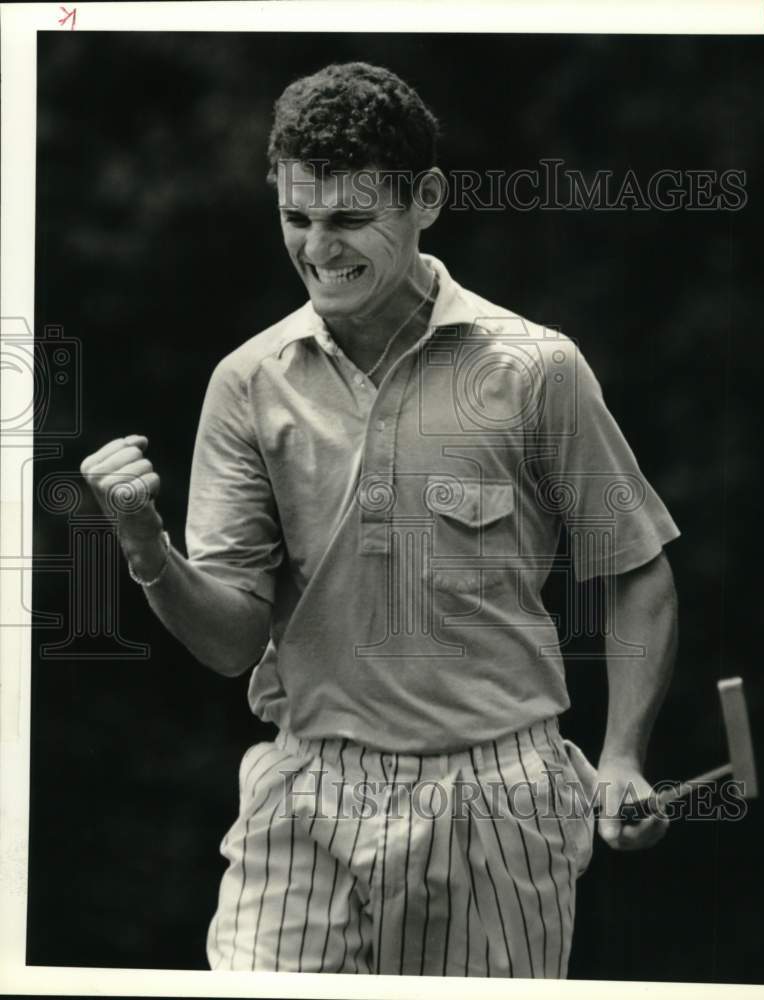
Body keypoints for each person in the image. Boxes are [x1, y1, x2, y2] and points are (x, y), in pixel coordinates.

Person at [80, 62, 680, 978]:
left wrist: (624, 756)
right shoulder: (248, 384)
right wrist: (144, 547)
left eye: (348, 219)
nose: (318, 249)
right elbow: (233, 640)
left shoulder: (533, 368)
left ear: (425, 199)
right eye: (296, 217)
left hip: (498, 800)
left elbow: (636, 571)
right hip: (307, 787)